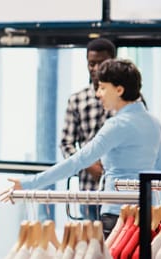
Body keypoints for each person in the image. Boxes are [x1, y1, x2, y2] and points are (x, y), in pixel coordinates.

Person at [2, 59, 161, 237]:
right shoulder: (153, 123)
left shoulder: (117, 125)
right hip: (149, 215)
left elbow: (78, 161)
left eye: (103, 87)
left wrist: (28, 183)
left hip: (118, 216)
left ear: (119, 90)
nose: (98, 94)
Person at [60, 38, 116, 220]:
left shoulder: (127, 99)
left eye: (101, 63)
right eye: (91, 63)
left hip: (120, 188)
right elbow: (66, 143)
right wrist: (88, 164)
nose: (96, 68)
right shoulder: (77, 99)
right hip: (89, 189)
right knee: (92, 242)